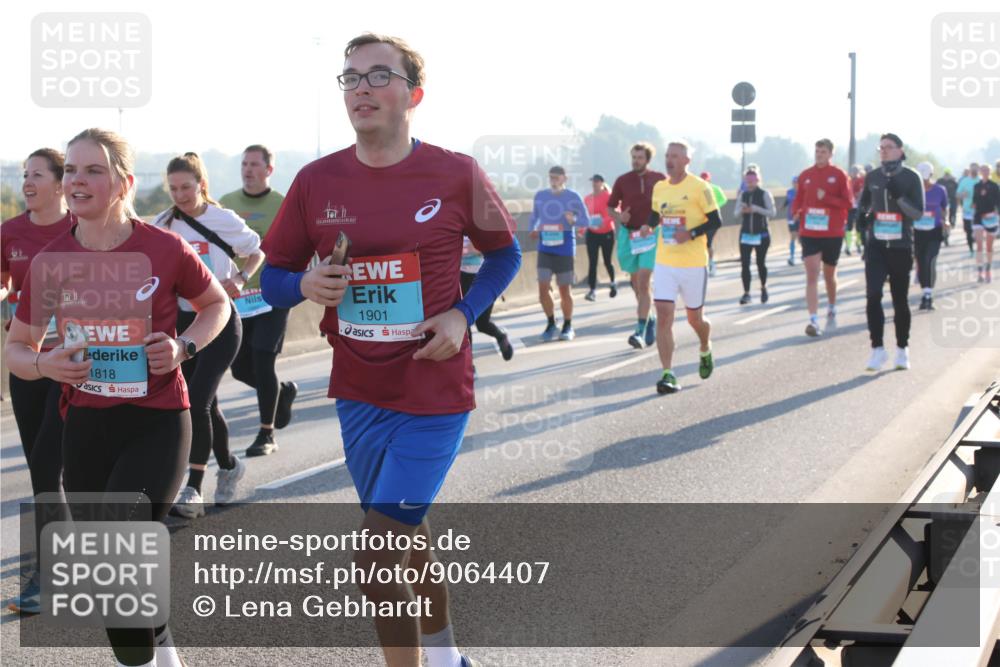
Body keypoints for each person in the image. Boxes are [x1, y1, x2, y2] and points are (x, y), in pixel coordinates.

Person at [258, 33, 519, 667]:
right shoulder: (316, 181)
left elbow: (505, 254)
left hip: (434, 392)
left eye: (379, 76)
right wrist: (304, 286)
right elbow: (272, 278)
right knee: (406, 538)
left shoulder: (455, 173)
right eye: (350, 78)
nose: (362, 88)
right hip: (359, 392)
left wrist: (462, 314)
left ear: (414, 94)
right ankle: (449, 659)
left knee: (376, 559)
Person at [5, 128, 229, 667]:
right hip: (85, 428)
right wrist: (44, 364)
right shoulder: (51, 260)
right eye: (72, 171)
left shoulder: (163, 247)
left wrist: (183, 346)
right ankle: (161, 653)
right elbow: (16, 347)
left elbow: (217, 305)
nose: (77, 181)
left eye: (93, 170)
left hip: (157, 421)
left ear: (124, 183)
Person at [154, 152, 264, 516]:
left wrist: (240, 278)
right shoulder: (165, 223)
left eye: (186, 187)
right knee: (205, 405)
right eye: (173, 189)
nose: (180, 195)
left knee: (197, 401)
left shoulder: (222, 219)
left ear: (201, 185)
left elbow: (256, 251)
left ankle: (194, 488)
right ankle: (229, 466)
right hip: (183, 323)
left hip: (220, 321)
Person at [1, 148, 73, 614]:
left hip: (73, 365)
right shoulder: (9, 231)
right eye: (24, 174)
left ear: (60, 184)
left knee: (51, 463)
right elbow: (3, 281)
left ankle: (49, 574)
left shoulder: (82, 229)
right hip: (27, 362)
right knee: (42, 470)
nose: (27, 182)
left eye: (37, 175)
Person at [218, 145, 297, 457]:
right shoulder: (227, 204)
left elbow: (297, 244)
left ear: (269, 170)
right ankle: (281, 393)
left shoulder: (282, 204)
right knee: (240, 368)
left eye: (254, 164)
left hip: (272, 294)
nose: (248, 170)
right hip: (238, 297)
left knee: (263, 360)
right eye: (244, 164)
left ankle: (267, 434)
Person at [647, 141, 721, 394]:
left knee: (695, 319)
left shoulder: (700, 187)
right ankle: (667, 373)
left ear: (687, 161)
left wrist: (690, 233)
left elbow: (716, 220)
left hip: (693, 263)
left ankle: (705, 346)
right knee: (664, 314)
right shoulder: (660, 187)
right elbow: (655, 214)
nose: (669, 160)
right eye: (668, 156)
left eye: (675, 156)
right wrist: (648, 226)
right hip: (665, 262)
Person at [857, 132, 924, 371]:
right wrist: (862, 217)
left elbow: (918, 213)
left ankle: (902, 349)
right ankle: (877, 349)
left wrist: (900, 198)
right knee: (873, 295)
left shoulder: (911, 177)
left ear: (900, 150)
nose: (883, 151)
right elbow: (864, 203)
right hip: (876, 246)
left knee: (899, 299)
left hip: (900, 246)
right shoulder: (873, 176)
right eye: (881, 147)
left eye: (888, 147)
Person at [791, 138, 854, 337]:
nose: (819, 155)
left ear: (831, 154)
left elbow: (848, 203)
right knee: (812, 274)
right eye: (817, 151)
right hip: (810, 232)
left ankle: (832, 305)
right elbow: (798, 199)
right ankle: (813, 320)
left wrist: (825, 198)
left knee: (829, 275)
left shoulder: (839, 175)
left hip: (832, 232)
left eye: (823, 152)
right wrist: (795, 211)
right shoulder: (805, 175)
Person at [608, 143, 665, 349]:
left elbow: (667, 204)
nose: (636, 161)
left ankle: (639, 331)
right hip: (629, 235)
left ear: (647, 159)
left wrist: (654, 224)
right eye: (633, 157)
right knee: (636, 284)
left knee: (643, 281)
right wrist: (619, 216)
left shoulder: (659, 179)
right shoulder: (623, 180)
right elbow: (610, 207)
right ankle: (649, 318)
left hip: (650, 235)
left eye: (640, 157)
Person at [529, 165, 587, 341]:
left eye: (556, 177)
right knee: (543, 288)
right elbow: (534, 217)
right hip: (545, 248)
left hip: (565, 249)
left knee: (564, 290)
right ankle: (551, 323)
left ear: (564, 178)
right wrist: (533, 229)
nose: (553, 180)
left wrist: (573, 220)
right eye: (551, 177)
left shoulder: (573, 197)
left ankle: (568, 325)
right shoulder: (541, 196)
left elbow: (585, 220)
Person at [460, 235, 514, 374]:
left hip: (484, 277)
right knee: (464, 321)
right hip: (461, 277)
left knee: (482, 324)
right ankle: (469, 364)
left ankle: (501, 336)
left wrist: (476, 249)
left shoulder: (479, 227)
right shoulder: (454, 229)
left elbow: (498, 248)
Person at [734, 168, 777, 305]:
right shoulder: (743, 195)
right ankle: (746, 293)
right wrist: (743, 210)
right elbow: (735, 214)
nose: (750, 183)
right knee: (745, 264)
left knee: (760, 263)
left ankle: (763, 287)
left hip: (762, 234)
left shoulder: (764, 194)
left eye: (753, 180)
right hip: (746, 234)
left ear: (758, 180)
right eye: (748, 180)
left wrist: (755, 209)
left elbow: (772, 213)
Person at [913, 162, 950, 310]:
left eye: (926, 179)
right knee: (921, 261)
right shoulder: (913, 190)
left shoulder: (940, 190)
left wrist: (946, 220)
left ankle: (928, 294)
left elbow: (944, 208)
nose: (924, 182)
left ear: (931, 175)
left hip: (935, 230)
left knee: (930, 259)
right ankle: (925, 292)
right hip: (917, 231)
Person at [583, 174, 617, 301]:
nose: (594, 183)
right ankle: (592, 291)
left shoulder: (609, 196)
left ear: (602, 183)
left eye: (597, 181)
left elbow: (615, 211)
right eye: (593, 181)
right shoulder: (587, 198)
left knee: (607, 261)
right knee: (592, 262)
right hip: (592, 233)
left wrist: (604, 221)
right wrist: (582, 229)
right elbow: (584, 215)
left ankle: (612, 282)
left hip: (607, 232)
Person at [972, 164, 1000, 283]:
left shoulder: (994, 186)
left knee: (989, 246)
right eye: (983, 170)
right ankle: (980, 272)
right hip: (978, 217)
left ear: (990, 172)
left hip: (991, 217)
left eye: (987, 170)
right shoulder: (976, 186)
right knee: (979, 245)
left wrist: (995, 214)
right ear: (980, 172)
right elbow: (974, 202)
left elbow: (998, 203)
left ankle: (988, 269)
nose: (985, 172)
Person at [700, 171, 727, 276]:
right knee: (702, 243)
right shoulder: (698, 189)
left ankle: (711, 263)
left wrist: (714, 207)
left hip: (713, 220)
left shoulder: (715, 188)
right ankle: (704, 264)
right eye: (702, 179)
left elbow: (723, 200)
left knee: (708, 242)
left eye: (705, 179)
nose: (704, 181)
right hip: (702, 220)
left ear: (709, 179)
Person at [956, 162, 980, 257]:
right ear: (970, 170)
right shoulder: (965, 181)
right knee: (968, 231)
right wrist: (962, 194)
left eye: (976, 169)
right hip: (967, 210)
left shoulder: (981, 180)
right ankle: (971, 250)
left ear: (978, 170)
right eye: (972, 169)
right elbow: (957, 194)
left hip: (979, 211)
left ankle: (979, 250)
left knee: (979, 231)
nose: (974, 171)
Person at [845, 164, 866, 255]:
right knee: (849, 226)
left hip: (859, 207)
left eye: (856, 171)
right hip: (850, 207)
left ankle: (858, 244)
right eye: (853, 171)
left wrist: (859, 194)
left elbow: (862, 192)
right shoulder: (848, 180)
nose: (854, 173)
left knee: (858, 227)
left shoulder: (862, 180)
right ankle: (848, 246)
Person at [936, 167, 959, 246]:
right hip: (942, 203)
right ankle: (944, 235)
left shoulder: (953, 182)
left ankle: (950, 227)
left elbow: (958, 191)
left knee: (952, 216)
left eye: (948, 174)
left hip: (952, 202)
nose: (946, 176)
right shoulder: (940, 181)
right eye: (945, 174)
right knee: (943, 218)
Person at [784, 175, 799, 265]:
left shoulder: (803, 192)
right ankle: (792, 256)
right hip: (791, 217)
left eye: (797, 182)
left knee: (801, 238)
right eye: (794, 182)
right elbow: (787, 201)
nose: (795, 184)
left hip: (801, 218)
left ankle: (804, 255)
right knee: (793, 236)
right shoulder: (789, 192)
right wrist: (782, 207)